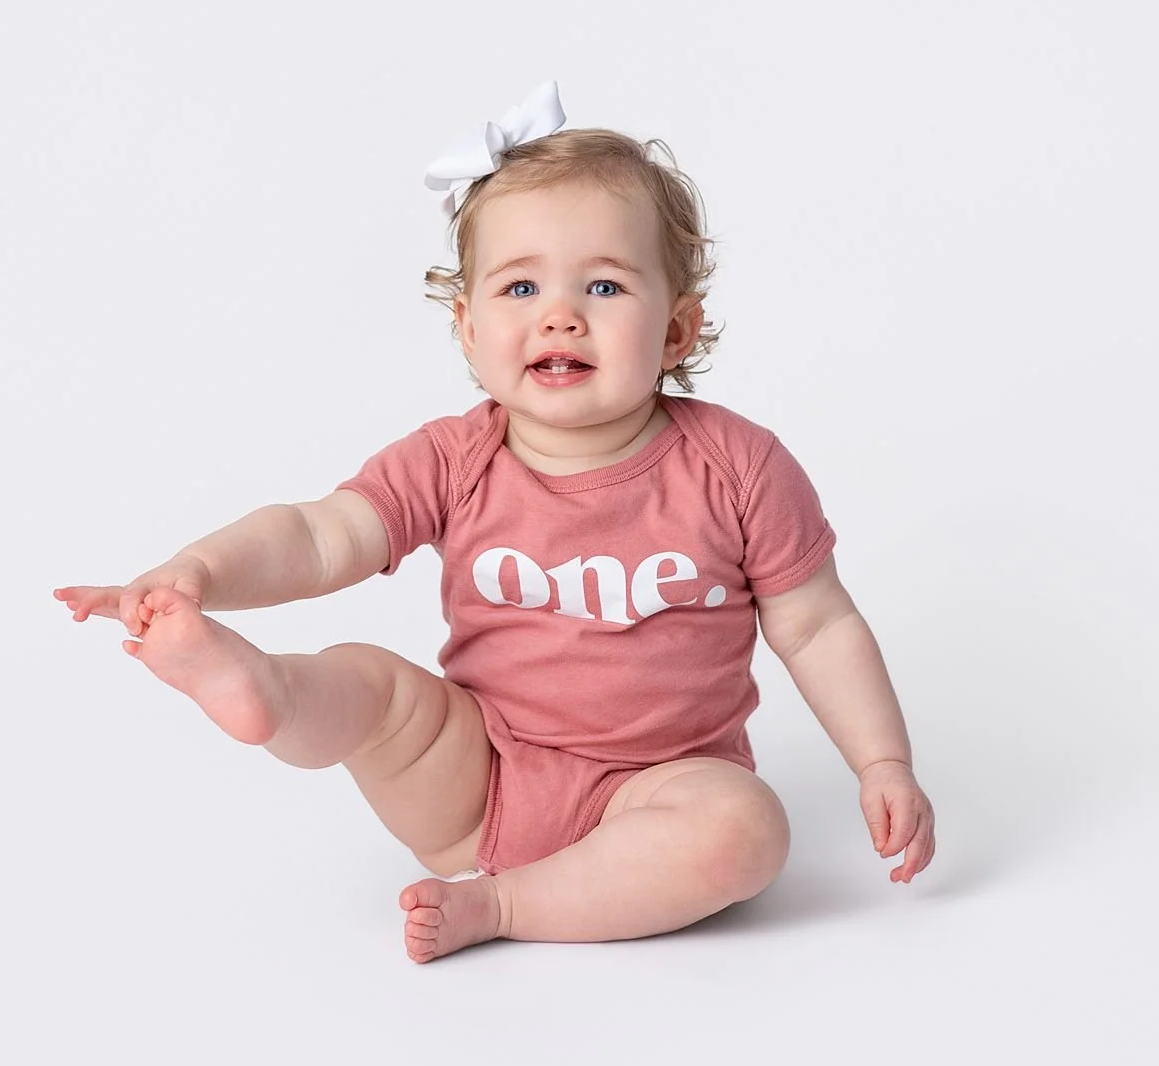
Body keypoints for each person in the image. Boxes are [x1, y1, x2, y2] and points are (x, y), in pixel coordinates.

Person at [54, 79, 936, 963]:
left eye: (603, 284)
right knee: (369, 682)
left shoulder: (739, 469)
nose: (560, 314)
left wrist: (882, 763)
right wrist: (199, 572)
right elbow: (321, 536)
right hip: (476, 780)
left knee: (746, 830)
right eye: (520, 287)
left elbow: (817, 625)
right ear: (469, 329)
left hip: (659, 794)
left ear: (676, 330)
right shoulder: (453, 459)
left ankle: (508, 905)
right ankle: (265, 693)